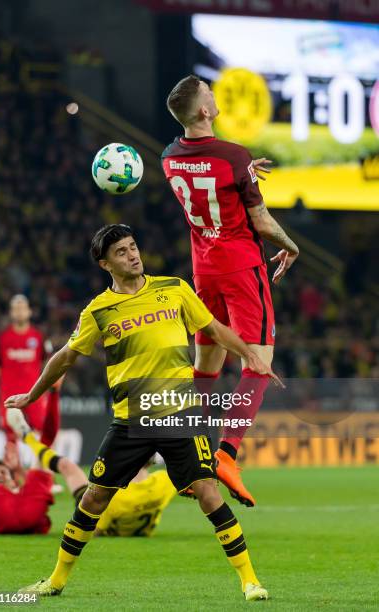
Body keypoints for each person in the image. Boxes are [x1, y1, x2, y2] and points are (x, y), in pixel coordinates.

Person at [5, 224, 282, 600]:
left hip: (181, 415)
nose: (132, 255)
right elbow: (66, 356)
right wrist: (32, 394)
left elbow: (215, 329)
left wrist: (251, 354)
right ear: (105, 264)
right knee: (93, 499)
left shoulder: (174, 289)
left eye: (133, 247)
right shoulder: (99, 310)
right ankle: (55, 579)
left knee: (207, 491)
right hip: (131, 421)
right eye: (121, 252)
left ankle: (250, 581)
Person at [162, 75, 299, 503]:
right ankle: (226, 452)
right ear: (204, 110)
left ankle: (192, 453)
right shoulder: (231, 155)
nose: (214, 96)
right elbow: (258, 221)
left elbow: (209, 185)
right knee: (258, 362)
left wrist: (245, 174)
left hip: (204, 272)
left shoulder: (169, 157)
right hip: (242, 266)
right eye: (209, 93)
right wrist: (291, 246)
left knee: (206, 365)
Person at [0, 409, 85, 535]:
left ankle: (53, 394)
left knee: (46, 446)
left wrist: (18, 469)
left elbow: (24, 486)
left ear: (13, 483)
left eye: (3, 472)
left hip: (27, 505)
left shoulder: (28, 493)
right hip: (0, 507)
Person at [0, 294, 61, 451]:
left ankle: (45, 470)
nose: (20, 312)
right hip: (9, 393)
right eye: (16, 309)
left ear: (29, 312)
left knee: (44, 431)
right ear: (11, 313)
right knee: (10, 435)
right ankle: (14, 472)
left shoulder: (38, 337)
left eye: (22, 309)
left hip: (34, 393)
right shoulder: (2, 338)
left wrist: (46, 387)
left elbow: (47, 363)